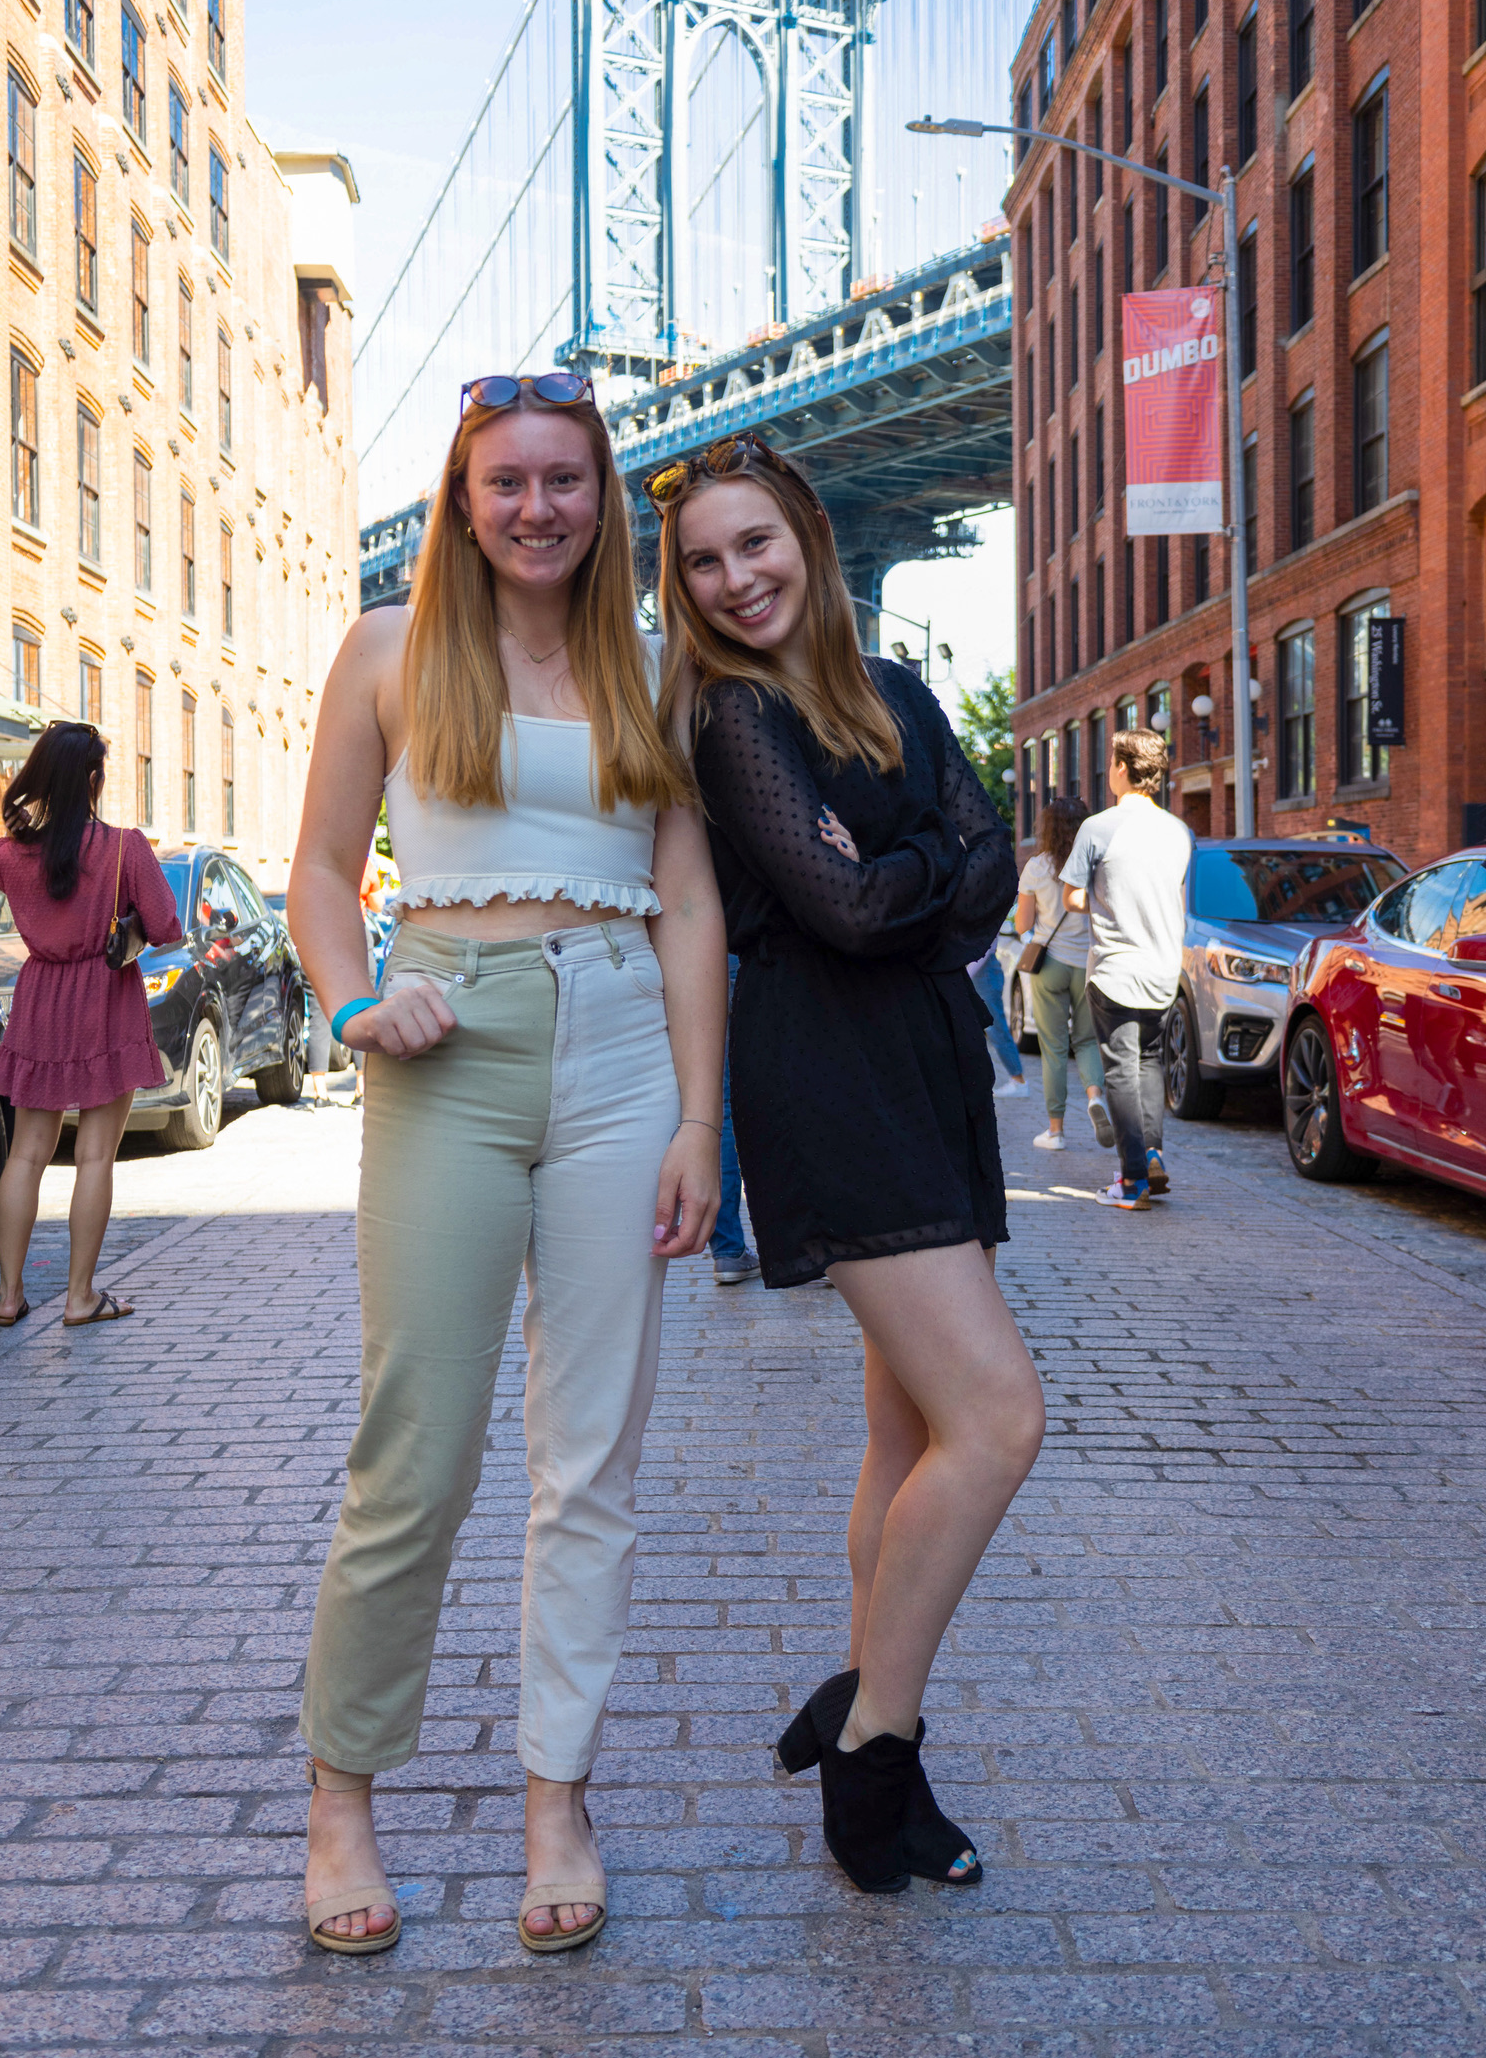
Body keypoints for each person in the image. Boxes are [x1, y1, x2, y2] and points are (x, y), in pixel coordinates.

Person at [289, 371, 726, 1960]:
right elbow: (323, 875)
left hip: (619, 1047)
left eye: (566, 480)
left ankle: (560, 1796)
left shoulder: (656, 669)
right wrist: (353, 1000)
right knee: (418, 1450)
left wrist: (697, 1117)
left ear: (603, 500)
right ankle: (345, 1793)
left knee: (590, 1457)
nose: (537, 508)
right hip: (443, 1045)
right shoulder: (388, 649)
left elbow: (686, 901)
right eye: (506, 483)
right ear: (461, 500)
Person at [651, 429, 1045, 1896]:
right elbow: (845, 909)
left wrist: (913, 882)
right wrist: (920, 881)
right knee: (997, 1417)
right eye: (702, 562)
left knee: (907, 1433)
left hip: (928, 1061)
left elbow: (987, 853)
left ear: (809, 539)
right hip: (829, 1068)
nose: (734, 577)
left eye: (754, 544)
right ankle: (874, 1746)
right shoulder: (731, 718)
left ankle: (863, 1705)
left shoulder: (894, 692)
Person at [0, 722, 182, 1328]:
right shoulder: (125, 848)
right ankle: (79, 1298)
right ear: (95, 780)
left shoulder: (6, 855)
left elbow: (16, 880)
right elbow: (168, 925)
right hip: (106, 1001)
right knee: (96, 1157)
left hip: (40, 999)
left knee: (25, 1155)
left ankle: (9, 1297)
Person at [1061, 730, 1193, 1212]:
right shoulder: (1179, 831)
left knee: (1119, 1068)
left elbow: (1073, 896)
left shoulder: (1098, 827)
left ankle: (1132, 1179)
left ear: (1120, 768)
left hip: (1117, 966)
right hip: (1163, 966)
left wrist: (1102, 896)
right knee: (1150, 1061)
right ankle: (1151, 1153)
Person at [1015, 796, 1112, 1153]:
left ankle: (1055, 1131)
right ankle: (1095, 1098)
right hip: (1088, 963)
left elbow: (1023, 923)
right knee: (1087, 1041)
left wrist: (1031, 932)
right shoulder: (1096, 866)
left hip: (1049, 964)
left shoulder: (1036, 867)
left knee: (1053, 1049)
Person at [711, 955, 762, 1284]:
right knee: (789, 1094)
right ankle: (812, 1249)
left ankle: (728, 1252)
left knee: (723, 1109)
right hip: (761, 954)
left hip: (709, 957)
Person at [966, 942, 1028, 1100]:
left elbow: (984, 946)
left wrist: (965, 975)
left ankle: (1018, 1079)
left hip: (981, 970)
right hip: (974, 968)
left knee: (995, 1027)